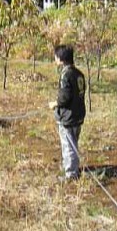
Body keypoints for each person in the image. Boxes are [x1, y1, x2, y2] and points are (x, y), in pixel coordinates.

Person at [49, 45, 86, 182]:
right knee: (74, 143)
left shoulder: (66, 74)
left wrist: (55, 104)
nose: (55, 59)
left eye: (55, 56)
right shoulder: (79, 74)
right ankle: (72, 166)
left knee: (68, 145)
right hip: (78, 115)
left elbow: (64, 97)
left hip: (68, 117)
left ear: (61, 59)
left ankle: (71, 174)